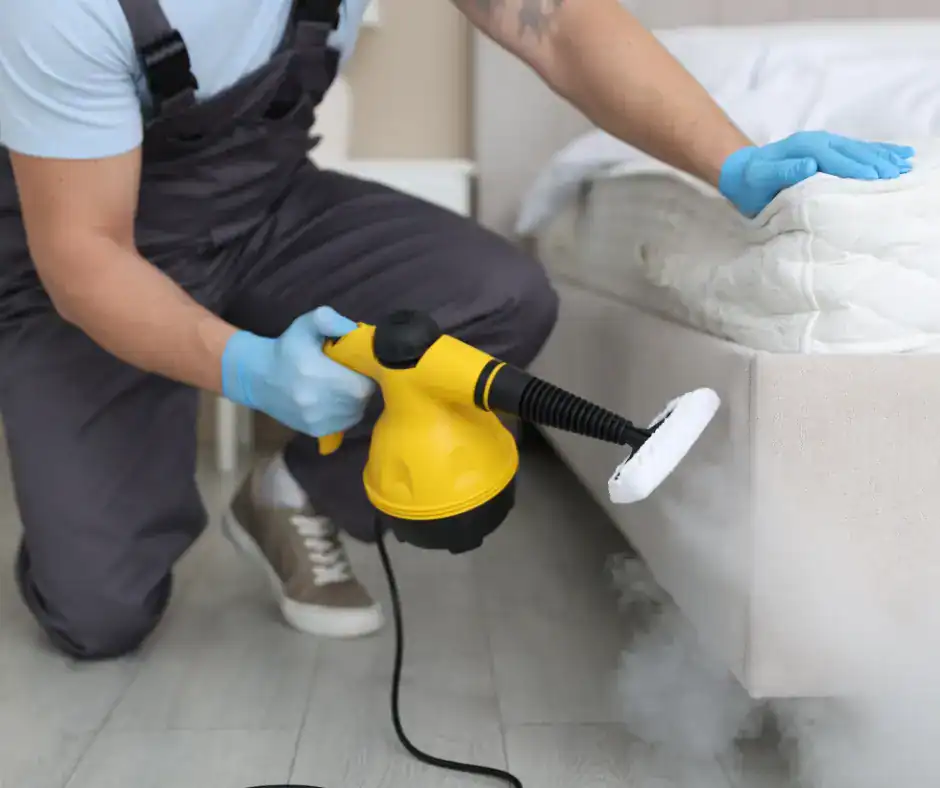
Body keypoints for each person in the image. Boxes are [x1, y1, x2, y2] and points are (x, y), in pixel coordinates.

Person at [0, 0, 912, 660]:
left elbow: (544, 16)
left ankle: (296, 497)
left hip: (268, 210)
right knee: (99, 616)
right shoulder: (61, 11)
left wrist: (732, 156)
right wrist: (243, 367)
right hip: (90, 253)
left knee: (493, 296)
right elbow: (84, 257)